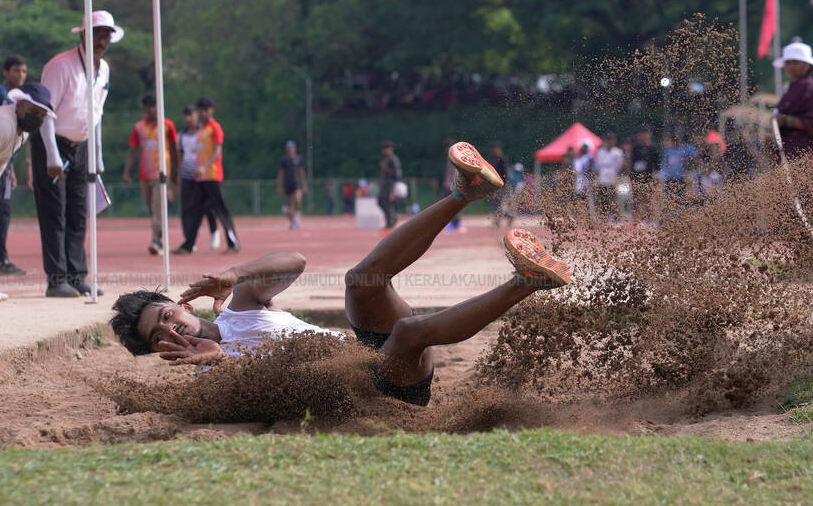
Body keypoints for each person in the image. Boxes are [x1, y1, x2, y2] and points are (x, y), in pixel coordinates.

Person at [110, 141, 570, 407]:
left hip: (368, 351)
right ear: (160, 353)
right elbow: (268, 401)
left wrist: (233, 273)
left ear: (181, 303)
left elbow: (295, 262)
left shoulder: (239, 312)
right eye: (159, 337)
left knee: (361, 280)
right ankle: (526, 282)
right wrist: (221, 361)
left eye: (165, 314)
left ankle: (465, 193)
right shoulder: (202, 379)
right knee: (409, 331)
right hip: (380, 389)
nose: (171, 329)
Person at [30, 10, 123, 298]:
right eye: (97, 33)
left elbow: (97, 114)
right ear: (83, 35)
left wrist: (97, 155)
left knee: (78, 212)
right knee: (54, 212)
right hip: (52, 142)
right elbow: (45, 113)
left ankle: (76, 274)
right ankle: (57, 279)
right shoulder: (60, 65)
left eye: (106, 35)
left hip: (81, 146)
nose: (102, 40)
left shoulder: (104, 69)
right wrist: (53, 157)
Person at [0, 83, 54, 301]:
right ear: (21, 104)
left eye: (42, 114)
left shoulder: (21, 132)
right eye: (34, 111)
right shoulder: (2, 123)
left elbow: (0, 162)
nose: (38, 117)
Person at [172, 97, 240, 254]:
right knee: (195, 210)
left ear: (211, 110)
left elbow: (217, 151)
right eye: (200, 109)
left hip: (212, 176)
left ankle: (233, 242)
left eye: (205, 109)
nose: (202, 113)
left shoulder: (215, 128)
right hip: (199, 178)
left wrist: (205, 166)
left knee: (221, 209)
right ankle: (189, 244)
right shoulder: (201, 130)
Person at [0, 55, 28, 276]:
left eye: (23, 71)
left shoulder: (22, 101)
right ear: (5, 72)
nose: (20, 75)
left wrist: (9, 166)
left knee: (2, 211)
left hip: (2, 162)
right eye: (16, 71)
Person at [122, 93, 179, 255]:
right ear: (145, 108)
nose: (152, 109)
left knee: (158, 207)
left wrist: (176, 172)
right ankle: (160, 237)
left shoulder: (168, 125)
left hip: (162, 173)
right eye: (149, 106)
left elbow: (175, 150)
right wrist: (127, 172)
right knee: (151, 208)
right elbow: (132, 150)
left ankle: (156, 240)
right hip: (144, 174)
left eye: (154, 106)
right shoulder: (139, 127)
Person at [176, 105, 220, 252]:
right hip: (187, 174)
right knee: (187, 209)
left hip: (203, 174)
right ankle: (189, 239)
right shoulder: (181, 135)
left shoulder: (204, 131)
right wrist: (177, 176)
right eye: (186, 116)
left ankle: (214, 231)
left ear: (197, 116)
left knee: (207, 206)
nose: (189, 119)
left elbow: (213, 149)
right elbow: (179, 156)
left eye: (192, 115)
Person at [773, 42, 813, 159]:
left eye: (795, 62)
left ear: (806, 65)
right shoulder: (792, 87)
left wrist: (788, 121)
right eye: (787, 62)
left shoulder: (809, 87)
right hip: (789, 154)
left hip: (805, 155)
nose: (790, 66)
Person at [630, 125, 660, 222]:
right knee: (637, 199)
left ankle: (650, 221)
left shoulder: (653, 148)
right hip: (637, 177)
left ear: (649, 135)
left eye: (646, 134)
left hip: (649, 177)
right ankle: (636, 221)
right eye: (642, 134)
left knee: (649, 200)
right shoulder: (636, 148)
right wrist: (632, 177)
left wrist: (657, 178)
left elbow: (657, 164)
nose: (644, 136)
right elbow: (632, 163)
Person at [276, 140, 308, 230]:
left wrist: (304, 184)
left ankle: (297, 216)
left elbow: (302, 173)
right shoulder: (284, 160)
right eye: (288, 148)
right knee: (289, 205)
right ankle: (292, 222)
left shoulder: (298, 159)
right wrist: (279, 186)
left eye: (291, 148)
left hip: (297, 183)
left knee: (298, 199)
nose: (290, 150)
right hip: (288, 184)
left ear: (294, 149)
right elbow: (281, 174)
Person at [593, 132, 624, 222]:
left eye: (612, 140)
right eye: (608, 140)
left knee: (612, 198)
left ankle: (614, 218)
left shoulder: (617, 153)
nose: (610, 142)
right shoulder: (600, 152)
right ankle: (603, 217)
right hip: (602, 178)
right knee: (602, 199)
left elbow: (619, 166)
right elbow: (597, 166)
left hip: (612, 178)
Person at [438, 138, 465, 233]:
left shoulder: (454, 158)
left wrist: (450, 184)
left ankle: (455, 224)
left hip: (452, 185)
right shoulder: (450, 157)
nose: (446, 150)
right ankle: (455, 224)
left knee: (449, 205)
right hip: (449, 184)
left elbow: (455, 173)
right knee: (448, 205)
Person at [488, 140, 513, 228]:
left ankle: (498, 222)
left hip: (502, 185)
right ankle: (508, 216)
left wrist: (505, 186)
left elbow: (505, 174)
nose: (493, 151)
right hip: (495, 185)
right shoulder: (494, 159)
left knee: (498, 204)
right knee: (496, 204)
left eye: (494, 149)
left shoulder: (502, 159)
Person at [378, 140, 401, 229]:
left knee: (387, 203)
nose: (384, 150)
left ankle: (390, 221)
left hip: (390, 185)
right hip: (384, 185)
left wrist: (385, 168)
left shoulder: (393, 159)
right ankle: (392, 218)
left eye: (386, 148)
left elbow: (397, 174)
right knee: (381, 202)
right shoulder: (385, 159)